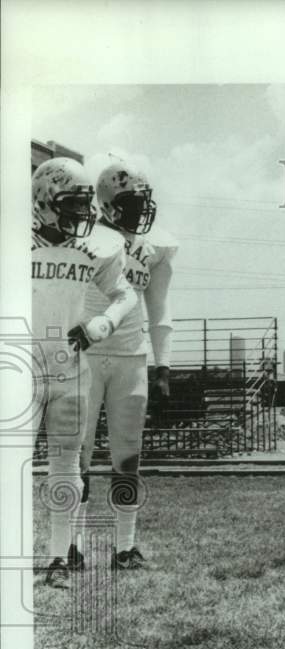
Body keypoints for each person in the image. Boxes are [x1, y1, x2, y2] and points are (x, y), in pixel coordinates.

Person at [31, 157, 137, 588]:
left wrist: (102, 324)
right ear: (43, 201)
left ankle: (58, 557)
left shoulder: (98, 246)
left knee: (66, 462)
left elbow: (124, 293)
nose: (80, 214)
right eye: (70, 204)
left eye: (83, 205)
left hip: (70, 364)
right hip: (21, 362)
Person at [75, 160, 177, 570]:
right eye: (133, 201)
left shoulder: (155, 247)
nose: (142, 209)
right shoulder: (86, 238)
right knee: (76, 456)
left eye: (144, 200)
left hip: (132, 356)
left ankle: (125, 546)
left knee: (128, 457)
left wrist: (164, 365)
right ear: (109, 203)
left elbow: (161, 308)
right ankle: (71, 546)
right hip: (86, 353)